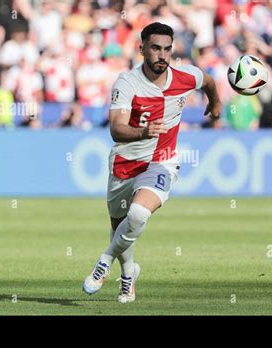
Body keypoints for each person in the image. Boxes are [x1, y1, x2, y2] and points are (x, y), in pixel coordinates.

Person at [82, 22, 222, 303]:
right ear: (142, 48)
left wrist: (216, 103)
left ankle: (104, 261)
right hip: (124, 165)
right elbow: (116, 129)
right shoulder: (127, 83)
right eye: (155, 48)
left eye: (167, 49)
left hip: (161, 162)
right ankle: (128, 276)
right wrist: (143, 132)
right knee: (121, 226)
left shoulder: (185, 76)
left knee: (137, 215)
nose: (162, 55)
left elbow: (208, 81)